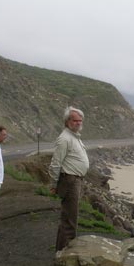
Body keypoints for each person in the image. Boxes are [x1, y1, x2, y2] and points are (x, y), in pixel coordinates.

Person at [49, 106, 89, 251]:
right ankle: (65, 253)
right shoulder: (65, 138)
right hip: (70, 181)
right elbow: (55, 163)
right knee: (69, 219)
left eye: (80, 120)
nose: (78, 123)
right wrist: (54, 184)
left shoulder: (74, 137)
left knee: (70, 217)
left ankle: (63, 251)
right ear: (67, 121)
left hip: (75, 180)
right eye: (75, 120)